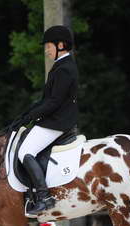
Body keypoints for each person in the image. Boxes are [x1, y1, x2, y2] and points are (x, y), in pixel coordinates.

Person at [17, 25, 78, 215]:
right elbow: (46, 100)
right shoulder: (61, 66)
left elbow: (54, 102)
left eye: (48, 45)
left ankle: (44, 197)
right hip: (54, 119)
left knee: (25, 151)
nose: (46, 50)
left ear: (61, 45)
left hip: (57, 122)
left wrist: (31, 116)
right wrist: (26, 114)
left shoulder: (65, 69)